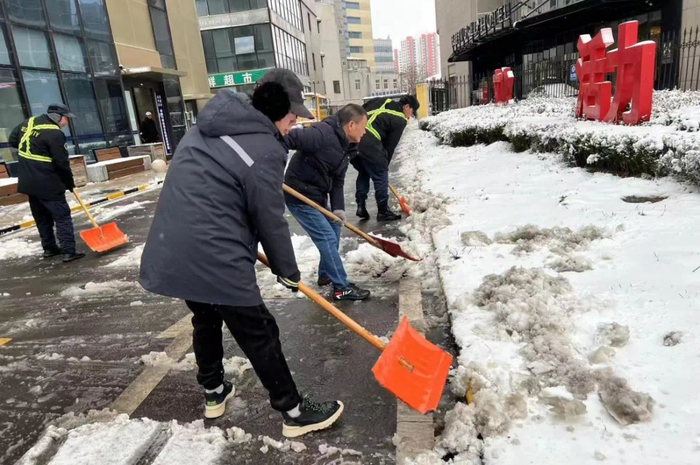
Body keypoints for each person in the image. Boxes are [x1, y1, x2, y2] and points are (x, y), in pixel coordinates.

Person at [139, 68, 343, 438]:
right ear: (274, 108)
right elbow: (268, 218)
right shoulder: (264, 149)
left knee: (205, 316)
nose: (291, 126)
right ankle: (294, 412)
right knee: (259, 329)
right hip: (217, 252)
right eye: (292, 117)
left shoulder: (206, 127)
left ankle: (214, 392)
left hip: (175, 244)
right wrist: (288, 271)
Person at [284, 104, 371, 302]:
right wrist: (271, 163)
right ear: (351, 125)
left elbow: (338, 181)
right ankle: (341, 287)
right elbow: (288, 138)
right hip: (298, 194)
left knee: (334, 225)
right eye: (363, 127)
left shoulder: (348, 147)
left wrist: (338, 208)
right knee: (326, 237)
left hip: (316, 196)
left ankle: (326, 273)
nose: (364, 132)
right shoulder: (322, 134)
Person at [9, 103, 85, 263]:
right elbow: (61, 163)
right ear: (58, 117)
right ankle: (69, 251)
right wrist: (69, 183)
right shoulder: (54, 133)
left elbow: (12, 140)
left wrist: (32, 153)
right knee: (62, 216)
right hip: (48, 183)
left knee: (42, 216)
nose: (67, 123)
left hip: (28, 181)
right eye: (66, 119)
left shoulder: (28, 123)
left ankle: (49, 248)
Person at [352, 95, 420, 221]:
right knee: (380, 173)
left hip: (352, 137)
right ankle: (383, 211)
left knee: (364, 171)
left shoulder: (383, 101)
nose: (410, 115)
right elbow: (390, 147)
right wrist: (383, 168)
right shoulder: (400, 119)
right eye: (412, 111)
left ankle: (361, 206)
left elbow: (360, 110)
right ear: (406, 107)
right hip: (369, 141)